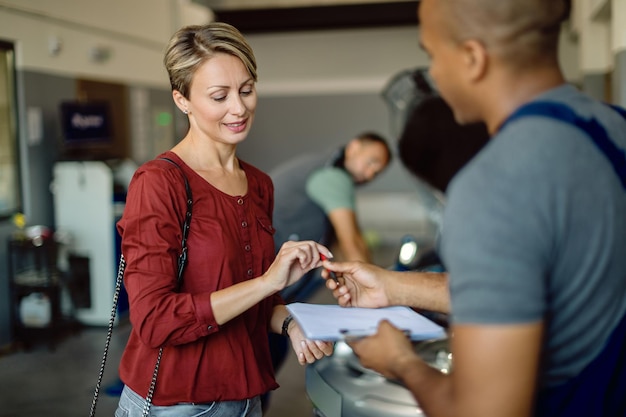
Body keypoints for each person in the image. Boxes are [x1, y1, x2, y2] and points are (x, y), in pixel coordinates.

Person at [323, 0, 626, 416]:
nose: (432, 75)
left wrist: (400, 362)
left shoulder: (493, 183)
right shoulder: (615, 127)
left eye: (432, 55)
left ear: (472, 58)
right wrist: (393, 286)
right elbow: (551, 281)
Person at [114, 22, 333, 417]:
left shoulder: (259, 185)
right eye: (219, 96)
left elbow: (253, 300)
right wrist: (267, 282)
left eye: (247, 90)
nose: (239, 108)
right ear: (182, 101)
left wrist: (291, 323)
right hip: (174, 404)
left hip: (247, 399)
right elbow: (153, 319)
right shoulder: (159, 182)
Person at [270, 132, 392, 303]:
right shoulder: (334, 177)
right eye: (371, 162)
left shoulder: (320, 165)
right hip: (264, 262)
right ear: (354, 147)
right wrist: (382, 292)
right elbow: (352, 243)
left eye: (376, 172)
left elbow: (340, 245)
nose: (370, 174)